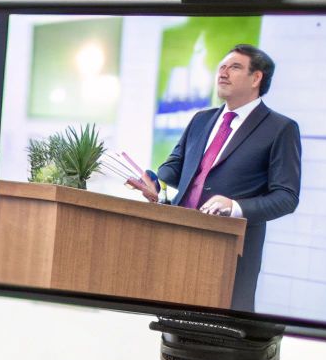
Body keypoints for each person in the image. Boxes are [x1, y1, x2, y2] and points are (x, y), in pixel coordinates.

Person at [127, 44, 301, 313]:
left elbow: (286, 197)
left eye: (234, 67)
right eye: (221, 66)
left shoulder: (280, 129)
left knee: (219, 332)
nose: (223, 72)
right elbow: (175, 166)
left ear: (257, 78)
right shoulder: (201, 119)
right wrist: (156, 183)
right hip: (179, 239)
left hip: (230, 252)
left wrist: (235, 207)